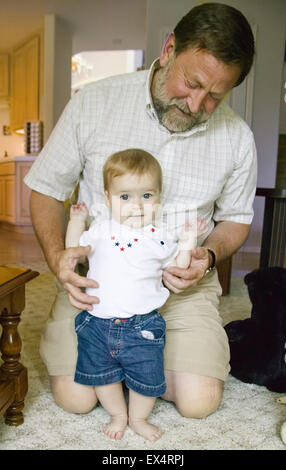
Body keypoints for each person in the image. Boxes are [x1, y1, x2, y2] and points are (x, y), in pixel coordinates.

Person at [24, 3, 257, 420]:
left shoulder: (237, 137)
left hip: (180, 291)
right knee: (76, 400)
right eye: (192, 82)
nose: (197, 103)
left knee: (199, 403)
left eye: (215, 96)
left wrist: (207, 256)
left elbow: (236, 218)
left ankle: (138, 361)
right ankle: (130, 361)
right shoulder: (94, 102)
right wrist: (59, 260)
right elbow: (44, 190)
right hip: (97, 283)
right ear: (169, 49)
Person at [65, 148, 208, 441]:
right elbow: (73, 250)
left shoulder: (160, 236)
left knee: (147, 377)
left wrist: (188, 241)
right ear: (108, 198)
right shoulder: (101, 230)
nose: (136, 206)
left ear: (158, 198)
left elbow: (178, 266)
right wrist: (77, 222)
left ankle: (139, 418)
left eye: (147, 196)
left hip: (143, 325)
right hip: (97, 324)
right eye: (125, 197)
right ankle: (118, 414)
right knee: (101, 375)